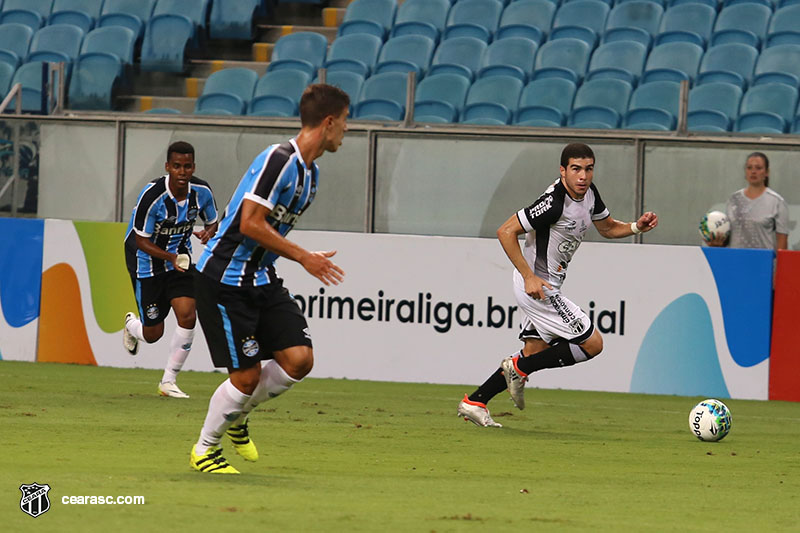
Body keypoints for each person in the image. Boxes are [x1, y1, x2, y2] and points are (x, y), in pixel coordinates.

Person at [189, 84, 349, 474]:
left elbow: (268, 231)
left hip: (260, 277)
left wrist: (297, 256)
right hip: (223, 278)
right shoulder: (278, 160)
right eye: (345, 122)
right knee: (245, 377)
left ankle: (238, 417)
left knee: (299, 360)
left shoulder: (310, 176)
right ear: (328, 123)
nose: (346, 130)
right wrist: (304, 257)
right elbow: (249, 223)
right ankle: (204, 449)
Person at [457, 143, 658, 427]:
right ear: (562, 170)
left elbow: (608, 227)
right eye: (576, 169)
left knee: (535, 352)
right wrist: (529, 276)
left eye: (588, 169)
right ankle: (519, 368)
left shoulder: (589, 194)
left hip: (548, 286)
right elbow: (505, 231)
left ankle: (475, 402)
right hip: (539, 288)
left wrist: (636, 227)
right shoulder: (553, 203)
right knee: (592, 344)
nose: (583, 176)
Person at [122, 141, 219, 399]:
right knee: (153, 333)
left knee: (188, 315)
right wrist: (169, 257)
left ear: (193, 167)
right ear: (167, 167)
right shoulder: (152, 197)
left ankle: (168, 381)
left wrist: (209, 232)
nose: (182, 171)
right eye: (176, 166)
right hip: (145, 262)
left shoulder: (202, 192)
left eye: (187, 166)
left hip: (180, 260)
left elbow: (213, 222)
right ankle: (132, 325)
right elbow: (141, 240)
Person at [705, 152, 789, 250]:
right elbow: (728, 237)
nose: (753, 171)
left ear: (767, 172)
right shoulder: (733, 200)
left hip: (763, 262)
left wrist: (778, 264)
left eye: (758, 168)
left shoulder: (777, 202)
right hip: (735, 261)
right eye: (749, 168)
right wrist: (717, 244)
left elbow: (782, 244)